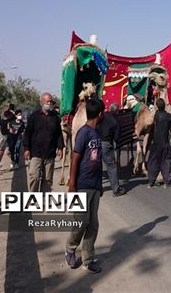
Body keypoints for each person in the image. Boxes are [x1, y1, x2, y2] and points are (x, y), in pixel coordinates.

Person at [65, 98, 104, 274]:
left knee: (93, 224)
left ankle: (88, 258)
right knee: (81, 221)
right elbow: (75, 157)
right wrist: (72, 183)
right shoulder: (84, 133)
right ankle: (70, 249)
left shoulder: (96, 133)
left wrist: (100, 186)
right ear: (100, 114)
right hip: (81, 185)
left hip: (95, 186)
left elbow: (97, 161)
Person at [23, 92, 64, 192]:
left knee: (48, 180)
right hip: (36, 153)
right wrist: (26, 148)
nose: (49, 104)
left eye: (51, 102)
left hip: (50, 153)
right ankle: (32, 198)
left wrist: (60, 147)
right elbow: (27, 133)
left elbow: (58, 133)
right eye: (47, 102)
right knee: (34, 177)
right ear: (41, 102)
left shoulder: (55, 117)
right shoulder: (34, 116)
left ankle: (44, 200)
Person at [147, 98, 171, 188]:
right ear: (164, 105)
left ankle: (151, 182)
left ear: (157, 106)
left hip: (155, 143)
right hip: (165, 142)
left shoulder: (155, 115)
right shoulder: (168, 116)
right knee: (166, 162)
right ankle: (166, 183)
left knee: (153, 162)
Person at [96, 103, 126, 197]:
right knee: (111, 167)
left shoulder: (101, 116)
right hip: (106, 144)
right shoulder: (115, 122)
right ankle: (116, 190)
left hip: (96, 142)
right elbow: (117, 138)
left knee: (97, 166)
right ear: (116, 111)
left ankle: (98, 189)